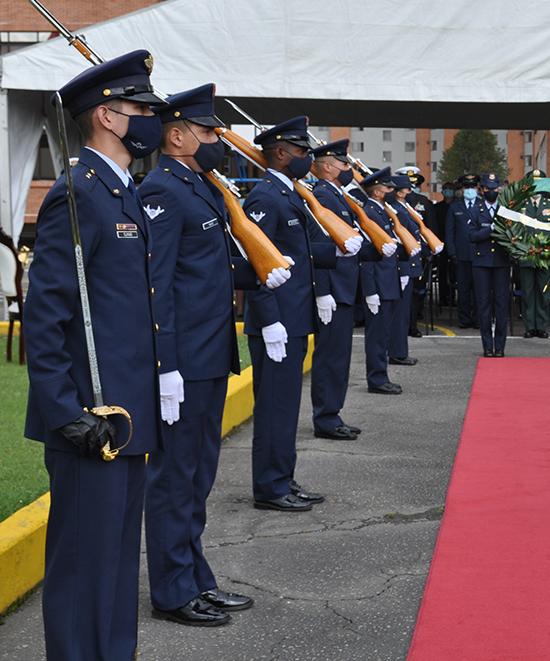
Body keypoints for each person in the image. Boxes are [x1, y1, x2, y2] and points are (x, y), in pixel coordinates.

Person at [24, 49, 167, 661]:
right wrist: (65, 414)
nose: (151, 120)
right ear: (108, 117)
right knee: (85, 571)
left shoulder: (120, 193)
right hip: (92, 421)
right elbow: (47, 318)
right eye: (141, 109)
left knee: (113, 571)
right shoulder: (77, 194)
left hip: (127, 416)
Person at [141, 84, 288, 626]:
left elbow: (214, 269)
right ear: (176, 136)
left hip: (208, 355)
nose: (216, 141)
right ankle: (173, 591)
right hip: (185, 360)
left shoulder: (198, 186)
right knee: (176, 479)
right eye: (206, 132)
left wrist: (264, 271)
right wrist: (166, 366)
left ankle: (194, 577)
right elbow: (157, 286)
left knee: (197, 478)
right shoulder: (163, 190)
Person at [242, 117, 337, 511]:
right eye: (301, 152)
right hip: (276, 322)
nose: (306, 158)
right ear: (280, 153)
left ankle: (283, 476)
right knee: (273, 410)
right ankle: (269, 486)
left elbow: (299, 256)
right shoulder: (265, 198)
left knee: (285, 409)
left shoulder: (290, 194)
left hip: (293, 317)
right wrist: (270, 321)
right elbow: (259, 263)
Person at [307, 138, 366, 441]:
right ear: (328, 167)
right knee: (330, 357)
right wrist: (323, 291)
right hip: (334, 290)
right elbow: (321, 246)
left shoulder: (336, 195)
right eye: (345, 164)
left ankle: (333, 413)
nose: (350, 168)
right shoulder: (324, 197)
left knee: (339, 358)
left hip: (344, 288)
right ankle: (326, 418)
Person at [357, 167, 404, 392]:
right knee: (376, 335)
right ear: (377, 192)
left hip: (388, 282)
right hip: (379, 284)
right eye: (388, 188)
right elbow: (366, 256)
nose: (391, 191)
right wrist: (370, 290)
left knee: (384, 333)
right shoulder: (370, 213)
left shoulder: (382, 211)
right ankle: (376, 379)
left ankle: (381, 375)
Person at [468, 172, 511, 356]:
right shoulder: (475, 210)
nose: (491, 191)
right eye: (488, 189)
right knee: (483, 305)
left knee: (501, 305)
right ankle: (487, 346)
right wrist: (491, 229)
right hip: (482, 262)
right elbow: (471, 236)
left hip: (501, 262)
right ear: (482, 190)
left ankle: (500, 347)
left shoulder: (506, 209)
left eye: (494, 189)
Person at [517, 169, 550, 338]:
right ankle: (529, 326)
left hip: (545, 257)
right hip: (526, 256)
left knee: (543, 292)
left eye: (539, 183)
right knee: (527, 293)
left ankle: (541, 326)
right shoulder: (520, 204)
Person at [388, 173, 423, 365]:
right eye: (409, 189)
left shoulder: (404, 208)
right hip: (403, 265)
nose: (412, 191)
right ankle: (397, 352)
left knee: (403, 311)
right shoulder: (397, 210)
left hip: (409, 263)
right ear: (400, 193)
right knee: (400, 313)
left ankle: (399, 350)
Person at [397, 166, 433, 337]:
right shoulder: (394, 205)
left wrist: (429, 251)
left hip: (419, 253)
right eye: (407, 186)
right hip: (401, 254)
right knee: (403, 293)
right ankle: (403, 326)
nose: (410, 190)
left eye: (413, 185)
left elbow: (430, 228)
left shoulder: (423, 202)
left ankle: (412, 325)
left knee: (416, 293)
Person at [446, 174, 479, 329]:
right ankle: (464, 318)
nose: (470, 190)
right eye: (467, 187)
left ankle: (479, 318)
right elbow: (449, 232)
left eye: (473, 187)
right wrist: (452, 253)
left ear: (477, 188)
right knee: (463, 289)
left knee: (480, 289)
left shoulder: (483, 204)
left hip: (480, 254)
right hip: (461, 255)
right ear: (462, 189)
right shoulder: (455, 206)